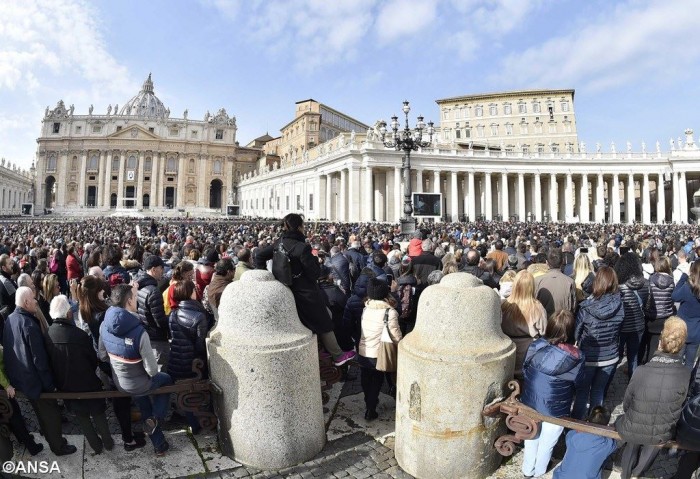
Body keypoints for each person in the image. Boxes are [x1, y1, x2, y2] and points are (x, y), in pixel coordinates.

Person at [255, 213, 356, 367]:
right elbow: (314, 273)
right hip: (304, 292)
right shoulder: (302, 248)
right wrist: (315, 262)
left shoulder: (279, 242)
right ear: (300, 227)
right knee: (324, 320)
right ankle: (338, 355)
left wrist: (267, 277)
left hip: (285, 287)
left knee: (326, 314)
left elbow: (259, 256)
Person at [99, 283, 173, 456]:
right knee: (167, 380)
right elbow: (152, 371)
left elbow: (102, 355)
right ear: (130, 301)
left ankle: (160, 445)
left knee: (143, 401)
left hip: (120, 382)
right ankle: (155, 417)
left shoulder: (104, 325)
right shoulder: (140, 332)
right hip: (139, 383)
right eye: (134, 295)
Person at [2, 286, 77, 455]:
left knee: (42, 414)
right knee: (51, 415)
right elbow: (39, 361)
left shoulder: (11, 319)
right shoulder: (29, 324)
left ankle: (52, 439)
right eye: (34, 299)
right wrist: (50, 385)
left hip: (22, 380)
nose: (36, 302)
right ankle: (58, 446)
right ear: (26, 302)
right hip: (36, 382)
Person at [77, 275, 146, 451]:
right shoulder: (101, 313)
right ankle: (128, 438)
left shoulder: (85, 307)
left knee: (119, 397)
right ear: (95, 292)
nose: (104, 291)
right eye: (101, 289)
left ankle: (128, 433)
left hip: (103, 359)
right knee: (121, 400)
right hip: (111, 358)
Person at [615, 317, 690, 479]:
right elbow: (680, 404)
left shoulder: (641, 370)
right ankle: (638, 473)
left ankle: (625, 474)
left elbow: (627, 403)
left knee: (632, 440)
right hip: (662, 430)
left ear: (660, 341)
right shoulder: (685, 374)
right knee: (656, 441)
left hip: (634, 425)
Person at [45, 295, 114, 453]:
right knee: (98, 413)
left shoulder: (47, 335)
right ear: (69, 314)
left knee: (82, 418)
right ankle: (108, 443)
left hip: (67, 386)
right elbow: (92, 360)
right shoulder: (80, 335)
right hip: (88, 382)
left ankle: (95, 446)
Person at [520, 309, 584, 478]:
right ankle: (540, 471)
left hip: (530, 400)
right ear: (571, 331)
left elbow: (525, 369)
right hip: (556, 407)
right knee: (548, 442)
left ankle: (527, 470)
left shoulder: (536, 345)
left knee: (531, 435)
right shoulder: (576, 356)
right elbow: (578, 383)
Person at [571, 266, 624, 419]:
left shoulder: (587, 307)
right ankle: (595, 424)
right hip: (610, 355)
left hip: (588, 356)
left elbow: (577, 333)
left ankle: (576, 425)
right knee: (598, 391)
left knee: (582, 392)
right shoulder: (619, 304)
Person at [168, 280, 211, 433]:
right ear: (190, 293)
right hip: (193, 364)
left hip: (176, 362)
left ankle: (191, 421)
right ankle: (198, 423)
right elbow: (200, 345)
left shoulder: (172, 314)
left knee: (183, 393)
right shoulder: (199, 316)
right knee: (195, 394)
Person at [358, 277, 402, 421]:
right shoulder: (390, 312)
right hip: (379, 353)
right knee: (377, 381)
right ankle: (370, 409)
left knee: (365, 379)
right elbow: (396, 336)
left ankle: (368, 403)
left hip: (364, 352)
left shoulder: (366, 309)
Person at [500, 270, 547, 378]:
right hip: (529, 354)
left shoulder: (504, 305)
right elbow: (543, 331)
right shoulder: (537, 307)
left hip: (508, 351)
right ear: (531, 287)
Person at [552, 406, 619, 479]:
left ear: (588, 420)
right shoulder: (608, 444)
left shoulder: (573, 435)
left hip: (561, 477)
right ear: (606, 425)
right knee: (604, 457)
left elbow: (569, 436)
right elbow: (615, 444)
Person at [614, 252, 649, 378]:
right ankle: (632, 386)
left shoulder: (617, 284)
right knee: (633, 358)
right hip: (638, 325)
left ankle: (606, 386)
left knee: (616, 357)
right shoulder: (646, 283)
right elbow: (648, 306)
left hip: (621, 326)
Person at [136, 255, 170, 371]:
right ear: (154, 269)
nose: (163, 271)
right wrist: (171, 318)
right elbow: (160, 320)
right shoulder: (153, 291)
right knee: (159, 369)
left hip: (146, 333)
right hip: (156, 337)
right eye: (161, 268)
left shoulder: (140, 285)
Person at [642, 255, 675, 364]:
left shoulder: (651, 280)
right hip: (665, 317)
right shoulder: (671, 282)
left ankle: (644, 364)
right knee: (657, 345)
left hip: (651, 316)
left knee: (645, 343)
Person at [672, 260, 700, 368]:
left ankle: (677, 383)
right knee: (689, 363)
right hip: (696, 332)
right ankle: (688, 383)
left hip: (682, 329)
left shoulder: (687, 288)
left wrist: (684, 276)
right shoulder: (688, 288)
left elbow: (674, 296)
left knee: (677, 361)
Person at [535, 248, 576, 318]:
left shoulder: (537, 281)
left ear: (547, 263)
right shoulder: (570, 282)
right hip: (563, 323)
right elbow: (573, 307)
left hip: (544, 323)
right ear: (562, 261)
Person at [203, 258, 234, 322]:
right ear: (229, 272)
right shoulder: (228, 289)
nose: (235, 271)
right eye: (234, 269)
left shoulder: (212, 284)